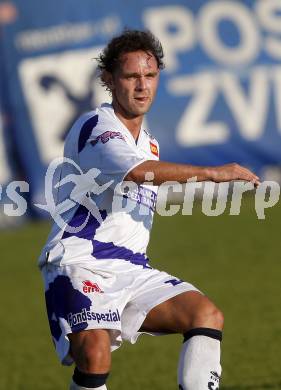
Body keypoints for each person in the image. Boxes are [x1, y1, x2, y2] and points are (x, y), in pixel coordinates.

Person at [39, 29, 260, 390]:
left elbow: (143, 167)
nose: (142, 86)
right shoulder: (97, 128)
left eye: (150, 75)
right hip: (79, 264)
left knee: (205, 314)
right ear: (108, 80)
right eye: (131, 76)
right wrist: (213, 174)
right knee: (95, 354)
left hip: (132, 269)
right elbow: (137, 173)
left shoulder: (149, 143)